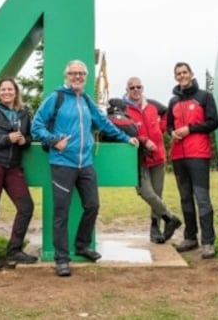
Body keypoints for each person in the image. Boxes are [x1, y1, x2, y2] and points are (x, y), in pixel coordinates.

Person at [32, 60, 140, 277]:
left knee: (92, 205)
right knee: (60, 213)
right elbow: (36, 125)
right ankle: (62, 259)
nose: (77, 77)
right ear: (66, 75)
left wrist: (126, 138)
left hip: (85, 164)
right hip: (62, 163)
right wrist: (54, 141)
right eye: (73, 73)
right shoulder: (57, 98)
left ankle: (82, 245)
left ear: (86, 77)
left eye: (81, 73)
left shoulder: (87, 101)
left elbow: (104, 123)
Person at [0, 77, 38, 270]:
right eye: (3, 90)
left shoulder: (24, 113)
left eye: (10, 89)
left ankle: (14, 250)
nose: (7, 93)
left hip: (13, 166)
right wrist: (6, 138)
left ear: (16, 92)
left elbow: (29, 136)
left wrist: (23, 141)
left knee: (26, 206)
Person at [167, 62, 218, 259]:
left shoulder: (204, 97)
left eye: (184, 72)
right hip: (178, 155)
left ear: (191, 74)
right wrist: (172, 133)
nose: (182, 76)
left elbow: (213, 122)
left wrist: (190, 129)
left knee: (202, 198)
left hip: (198, 154)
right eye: (178, 73)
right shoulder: (173, 101)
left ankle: (208, 242)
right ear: (175, 77)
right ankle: (190, 237)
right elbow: (169, 126)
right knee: (185, 198)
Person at [121, 76, 182, 244]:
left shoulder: (152, 105)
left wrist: (161, 127)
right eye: (131, 87)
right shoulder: (123, 109)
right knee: (145, 192)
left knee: (157, 193)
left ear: (143, 88)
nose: (135, 90)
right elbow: (122, 128)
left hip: (158, 157)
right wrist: (143, 139)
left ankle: (155, 229)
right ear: (127, 90)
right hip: (137, 159)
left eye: (138, 87)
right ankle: (171, 218)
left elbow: (167, 114)